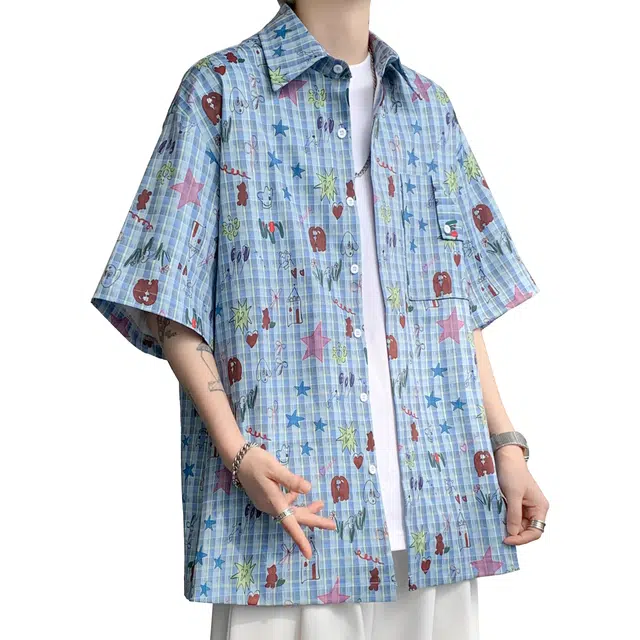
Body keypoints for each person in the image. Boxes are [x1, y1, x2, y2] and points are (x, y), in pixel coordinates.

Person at [90, 0, 549, 638]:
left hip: (439, 516)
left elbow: (455, 301)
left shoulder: (427, 107)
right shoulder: (221, 92)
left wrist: (506, 445)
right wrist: (238, 454)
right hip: (289, 525)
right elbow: (166, 295)